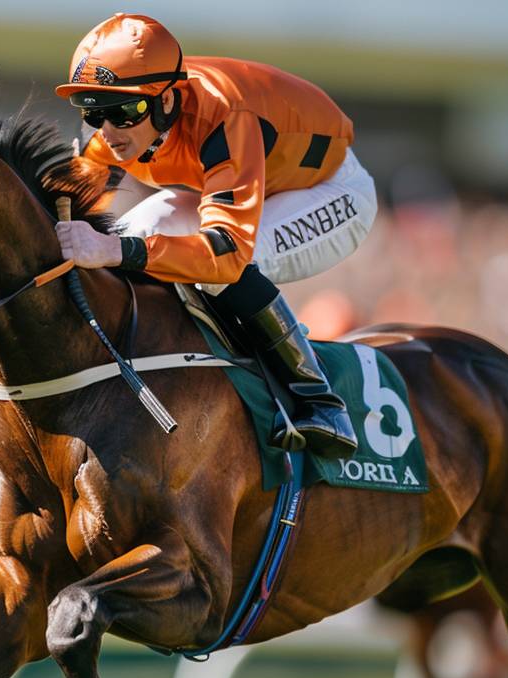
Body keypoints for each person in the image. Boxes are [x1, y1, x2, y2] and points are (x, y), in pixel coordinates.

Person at [55, 13, 378, 459]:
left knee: (219, 265)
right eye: (93, 112)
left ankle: (317, 401)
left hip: (325, 191)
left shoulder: (225, 118)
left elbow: (225, 254)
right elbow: (66, 204)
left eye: (123, 112)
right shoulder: (116, 128)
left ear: (167, 101)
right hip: (245, 182)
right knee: (139, 230)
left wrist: (113, 249)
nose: (107, 132)